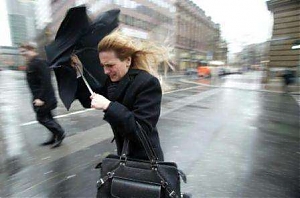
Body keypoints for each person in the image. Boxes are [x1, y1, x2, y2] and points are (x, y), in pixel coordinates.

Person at [73, 31, 167, 161]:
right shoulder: (111, 82)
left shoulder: (147, 83)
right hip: (124, 155)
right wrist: (79, 73)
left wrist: (108, 105)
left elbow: (141, 130)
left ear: (127, 60)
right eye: (103, 66)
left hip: (146, 160)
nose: (105, 71)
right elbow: (89, 100)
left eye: (110, 65)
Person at [19, 42, 65, 148]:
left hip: (44, 97)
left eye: (24, 51)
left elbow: (46, 81)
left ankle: (60, 132)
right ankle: (53, 137)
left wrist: (41, 98)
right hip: (38, 97)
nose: (23, 54)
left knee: (41, 118)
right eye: (21, 52)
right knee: (49, 117)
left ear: (32, 50)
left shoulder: (40, 62)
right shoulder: (31, 63)